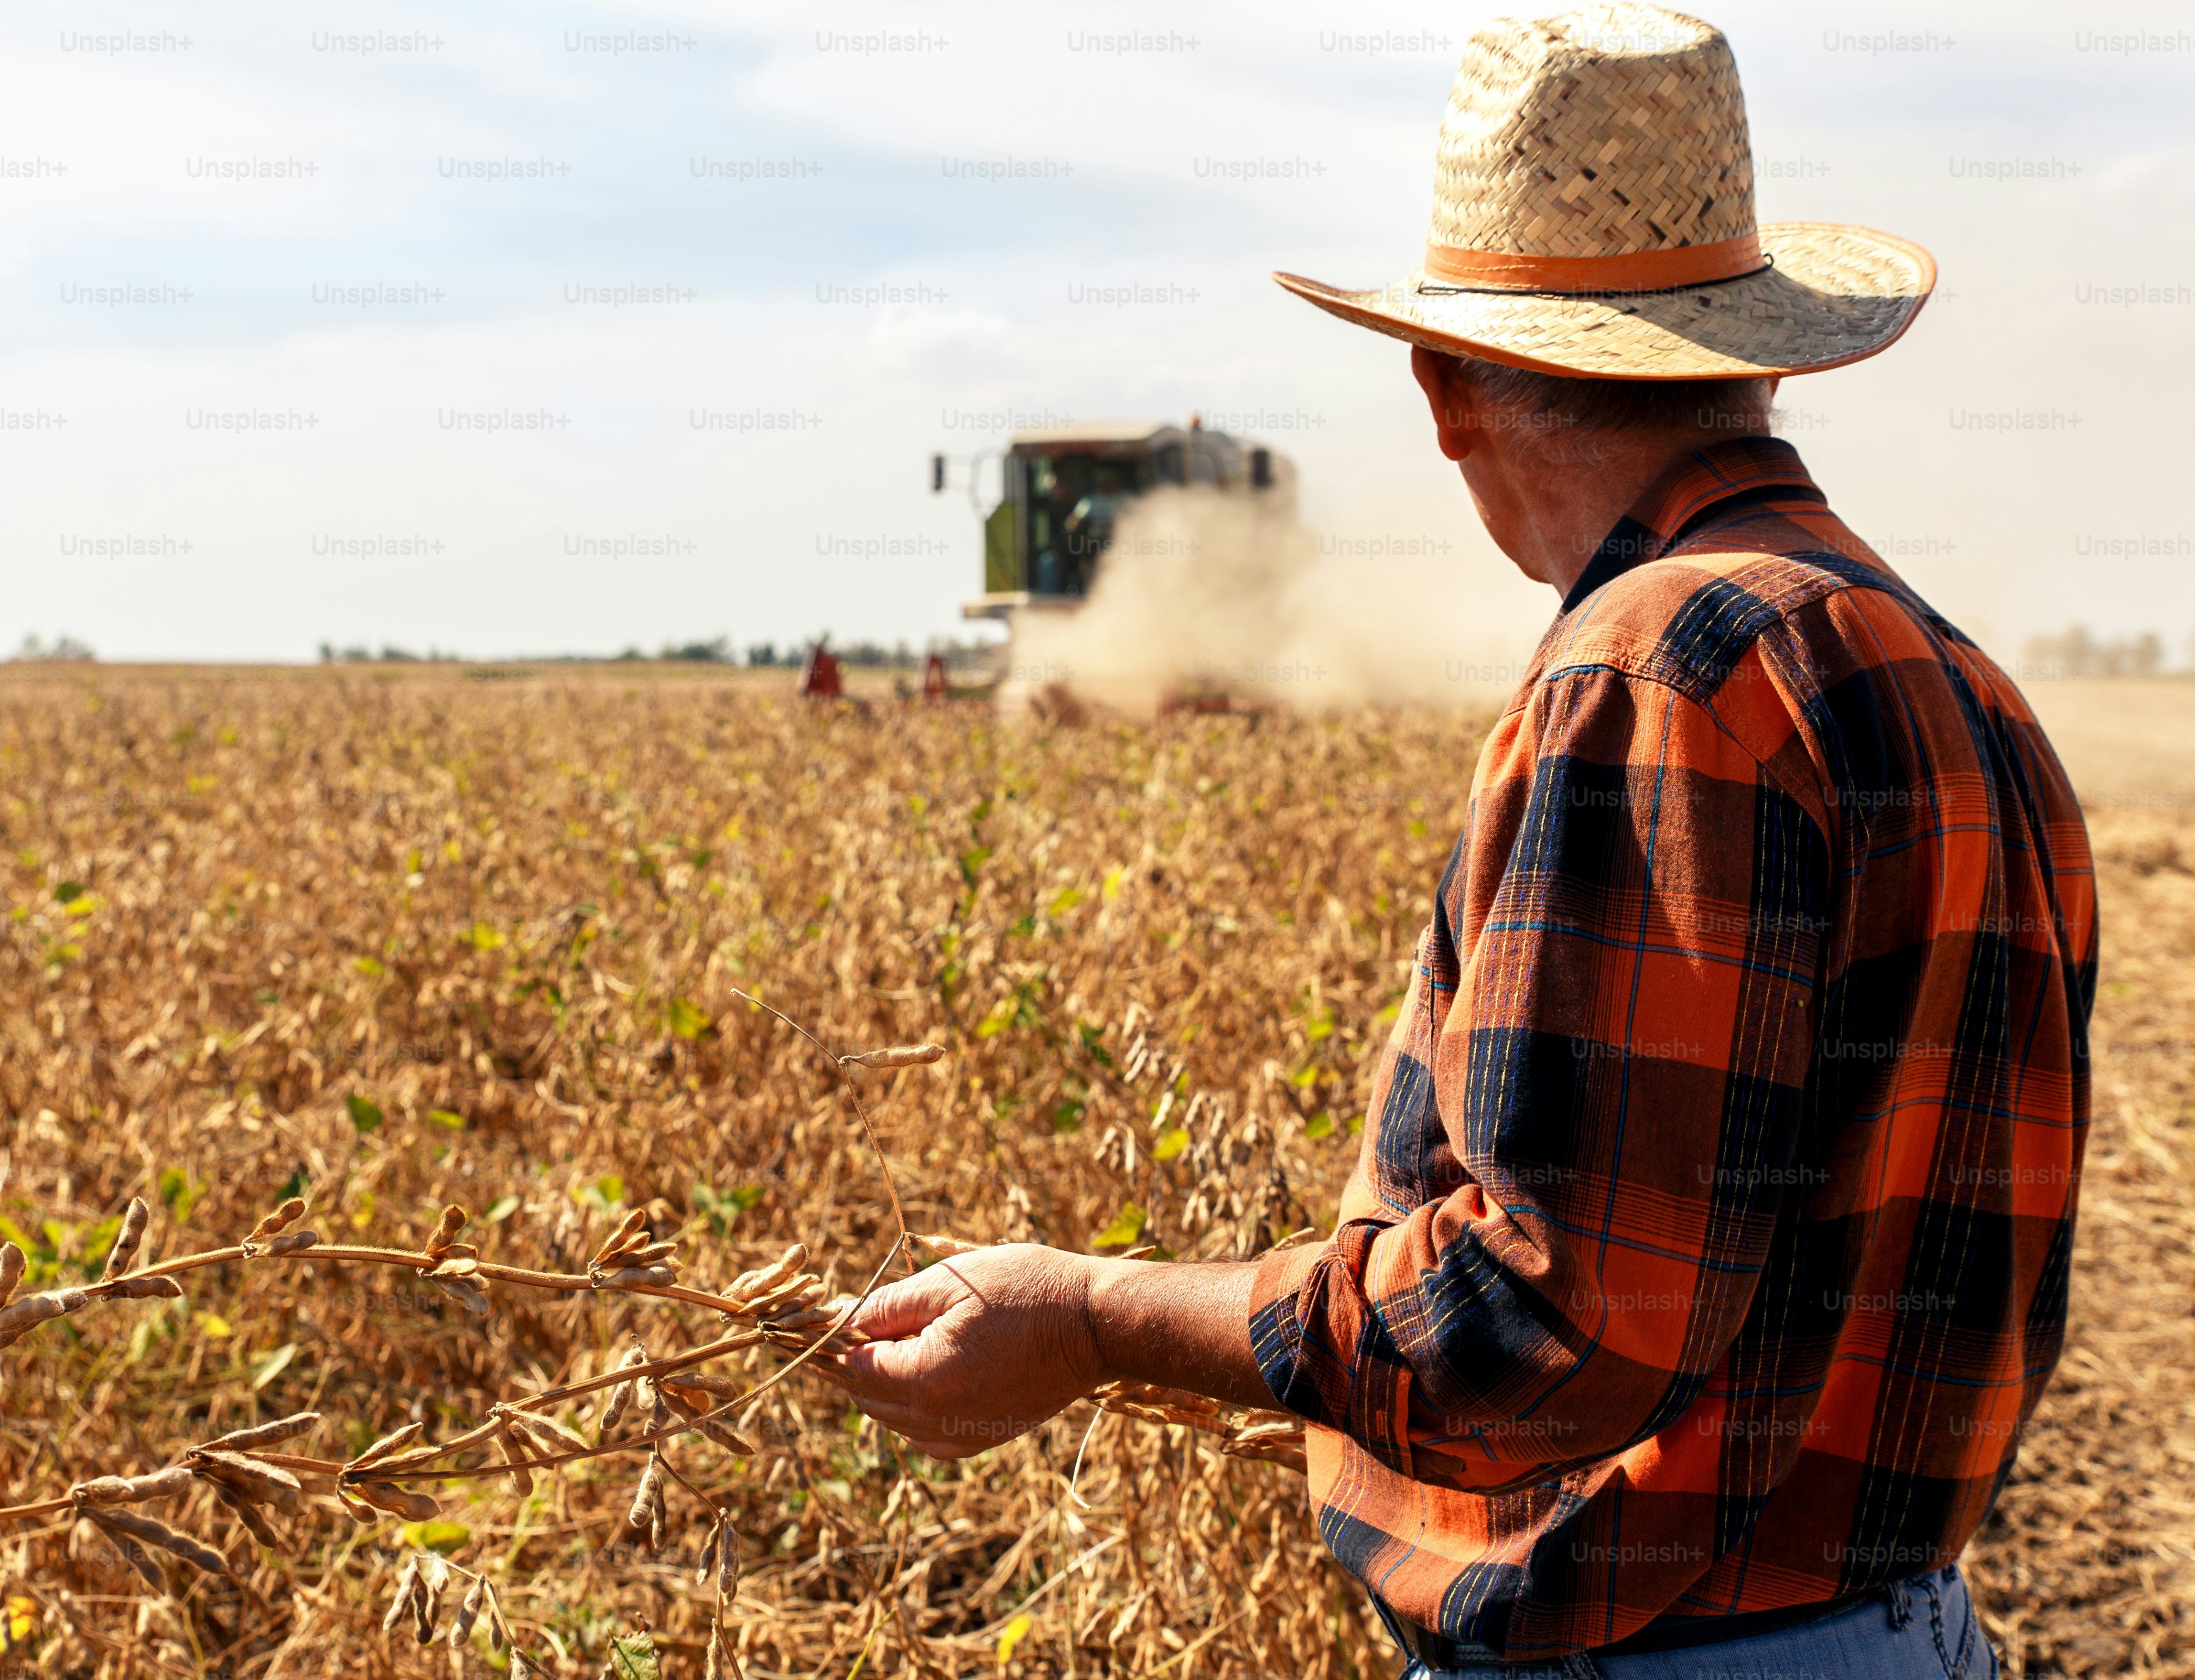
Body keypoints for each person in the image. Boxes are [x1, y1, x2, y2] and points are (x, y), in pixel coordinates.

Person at [838, 4, 2096, 1675]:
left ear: (1445, 390)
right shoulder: (1960, 682)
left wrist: (1091, 1314)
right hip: (1907, 1627)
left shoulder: (1657, 675)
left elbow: (1535, 1327)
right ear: (1756, 359)